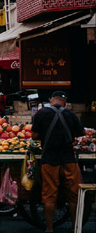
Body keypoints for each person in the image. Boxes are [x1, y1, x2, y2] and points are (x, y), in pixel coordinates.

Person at [32, 91, 84, 233]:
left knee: (49, 195)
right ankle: (75, 228)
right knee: (73, 195)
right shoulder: (71, 114)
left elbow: (34, 135)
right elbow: (80, 133)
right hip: (69, 159)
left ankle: (49, 229)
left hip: (49, 159)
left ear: (50, 100)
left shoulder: (41, 114)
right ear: (65, 102)